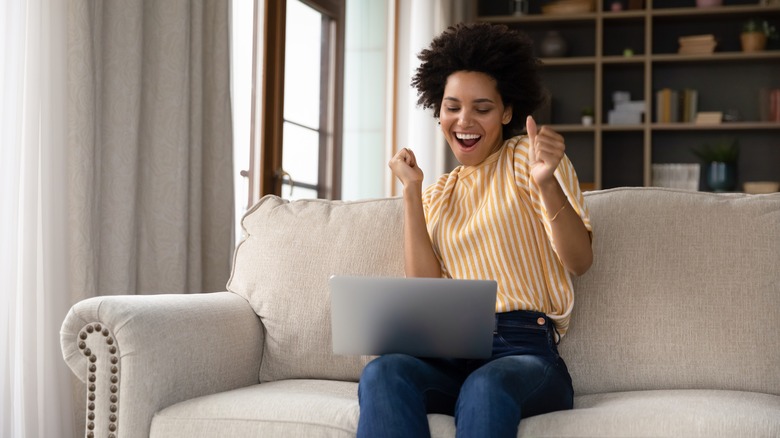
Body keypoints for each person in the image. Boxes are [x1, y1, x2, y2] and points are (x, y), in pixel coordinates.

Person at [356, 22, 594, 438]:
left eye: (482, 108)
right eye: (452, 107)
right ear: (438, 111)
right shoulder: (439, 193)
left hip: (523, 351)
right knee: (384, 371)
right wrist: (412, 192)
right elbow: (426, 290)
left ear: (506, 112)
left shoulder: (528, 159)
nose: (464, 120)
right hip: (449, 352)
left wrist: (546, 182)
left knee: (486, 386)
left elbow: (580, 261)